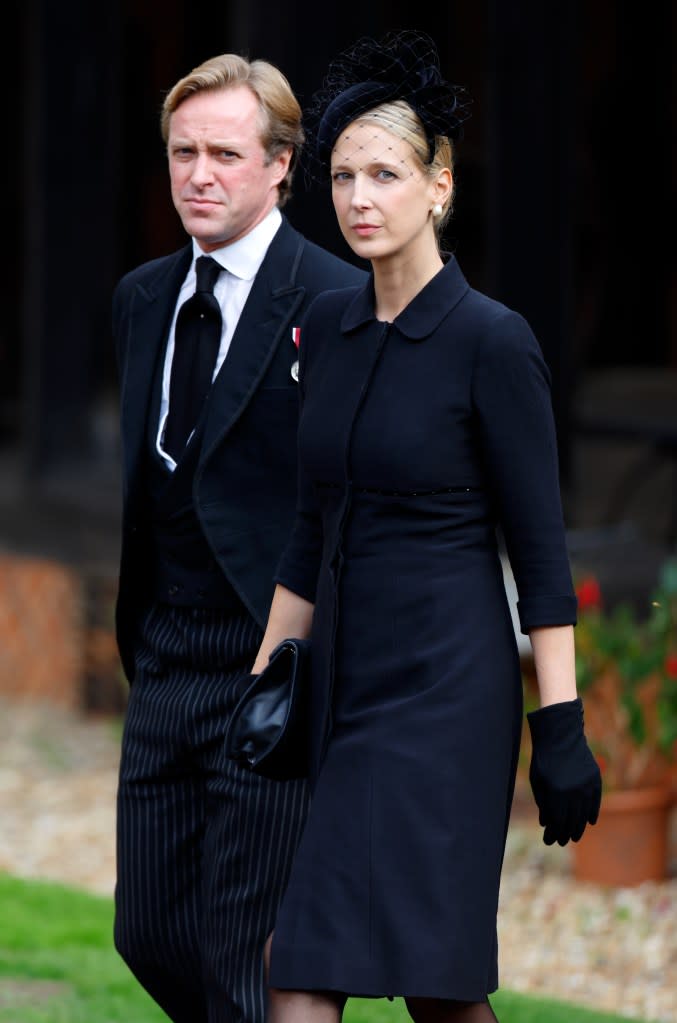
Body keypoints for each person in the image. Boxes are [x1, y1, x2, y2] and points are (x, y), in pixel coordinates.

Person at [247, 29, 602, 1023]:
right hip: (347, 693)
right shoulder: (334, 334)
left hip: (447, 698)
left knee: (393, 979)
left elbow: (538, 553)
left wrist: (560, 727)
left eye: (386, 175)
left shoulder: (492, 343)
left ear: (438, 186)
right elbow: (308, 526)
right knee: (353, 969)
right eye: (345, 176)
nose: (360, 199)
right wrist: (263, 686)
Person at [111, 51, 367, 1023]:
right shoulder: (139, 299)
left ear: (280, 167)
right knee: (145, 931)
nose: (198, 174)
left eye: (224, 152)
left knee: (242, 952)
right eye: (183, 152)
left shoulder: (336, 302)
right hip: (164, 662)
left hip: (269, 668)